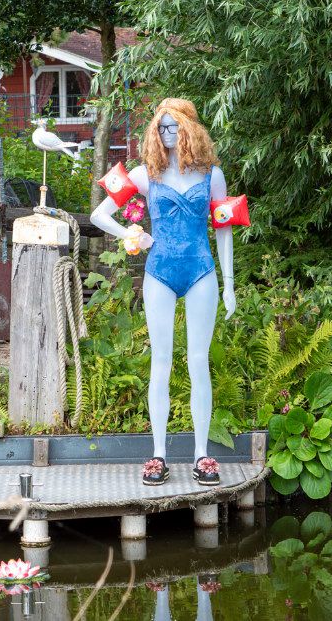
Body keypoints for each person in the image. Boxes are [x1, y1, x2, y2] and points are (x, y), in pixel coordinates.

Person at [90, 98, 236, 486]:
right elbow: (98, 215)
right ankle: (158, 454)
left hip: (201, 270)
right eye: (161, 128)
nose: (167, 134)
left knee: (198, 361)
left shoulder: (212, 176)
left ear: (189, 128)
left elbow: (224, 231)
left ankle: (202, 454)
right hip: (159, 272)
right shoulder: (143, 174)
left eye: (173, 127)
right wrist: (133, 234)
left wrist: (230, 284)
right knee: (161, 361)